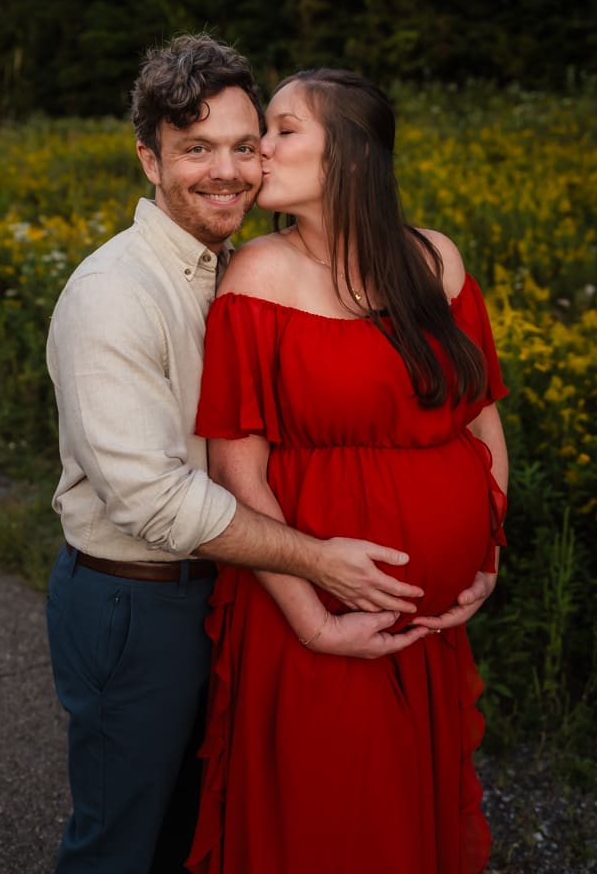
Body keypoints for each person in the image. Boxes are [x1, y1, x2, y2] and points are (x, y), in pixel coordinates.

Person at [44, 37, 432, 874]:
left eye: (243, 145)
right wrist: (316, 560)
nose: (226, 172)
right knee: (120, 842)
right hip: (136, 601)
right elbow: (155, 500)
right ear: (149, 160)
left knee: (199, 830)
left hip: (227, 591)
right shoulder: (113, 295)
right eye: (195, 149)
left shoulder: (241, 267)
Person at [186, 69, 509, 874]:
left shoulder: (434, 259)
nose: (259, 149)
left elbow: (480, 419)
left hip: (427, 625)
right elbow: (237, 472)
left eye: (283, 128)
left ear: (352, 155)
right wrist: (312, 619)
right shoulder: (257, 274)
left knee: (406, 815)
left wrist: (487, 553)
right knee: (330, 822)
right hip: (316, 609)